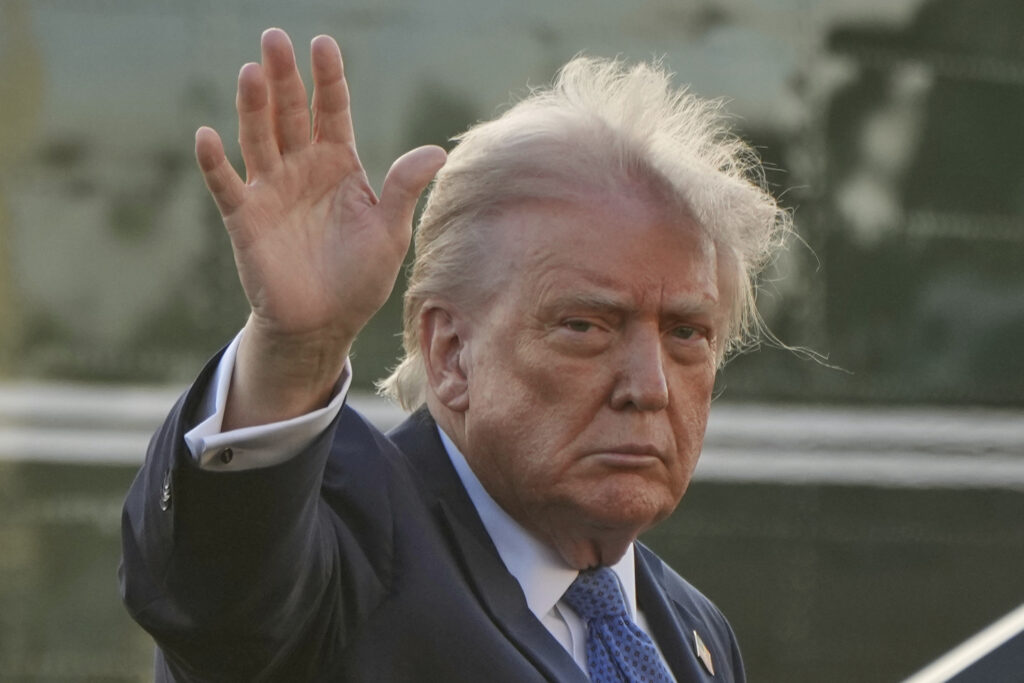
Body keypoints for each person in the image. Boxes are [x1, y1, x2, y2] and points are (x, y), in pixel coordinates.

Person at [120, 26, 788, 682]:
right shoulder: (348, 542)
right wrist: (295, 352)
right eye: (586, 326)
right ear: (450, 353)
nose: (650, 386)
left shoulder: (693, 629)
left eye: (686, 334)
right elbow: (220, 594)